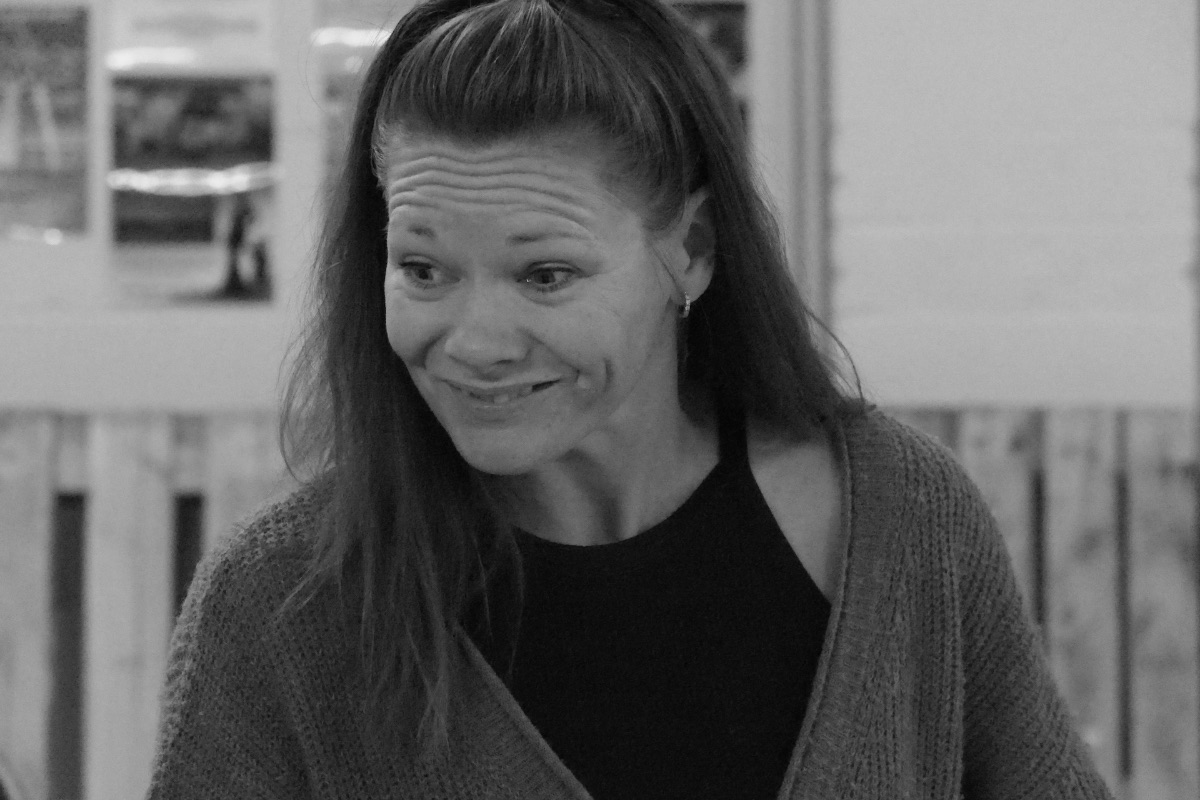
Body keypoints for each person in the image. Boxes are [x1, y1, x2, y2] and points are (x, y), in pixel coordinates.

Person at [147, 1, 1117, 798]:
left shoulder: (903, 518)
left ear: (689, 252)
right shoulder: (280, 602)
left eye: (546, 275)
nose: (473, 341)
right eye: (423, 269)